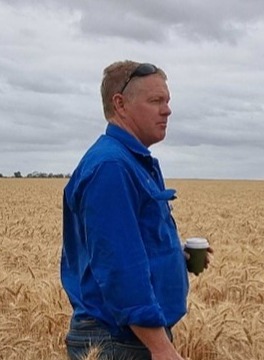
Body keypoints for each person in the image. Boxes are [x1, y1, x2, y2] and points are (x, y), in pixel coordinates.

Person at [61, 60, 204, 360]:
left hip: (130, 339)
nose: (167, 110)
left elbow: (133, 243)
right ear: (120, 104)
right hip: (118, 341)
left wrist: (176, 258)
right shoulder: (112, 167)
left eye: (167, 101)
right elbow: (119, 266)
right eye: (156, 101)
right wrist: (160, 347)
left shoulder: (130, 161)